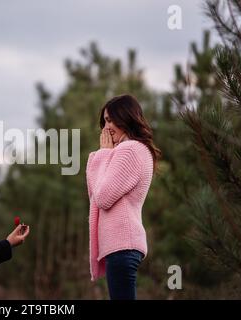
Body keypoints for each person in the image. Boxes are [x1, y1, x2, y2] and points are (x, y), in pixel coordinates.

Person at [86, 94, 161, 300]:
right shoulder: (134, 150)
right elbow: (99, 191)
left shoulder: (130, 150)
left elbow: (101, 197)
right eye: (105, 121)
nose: (106, 127)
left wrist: (102, 154)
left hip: (123, 246)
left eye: (110, 120)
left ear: (125, 118)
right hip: (122, 247)